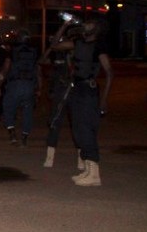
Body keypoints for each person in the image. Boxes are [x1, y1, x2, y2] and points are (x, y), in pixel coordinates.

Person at [49, 17, 113, 186]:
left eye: (89, 22)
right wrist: (64, 25)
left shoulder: (99, 45)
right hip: (76, 89)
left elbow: (109, 72)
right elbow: (54, 45)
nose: (86, 24)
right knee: (78, 130)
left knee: (86, 131)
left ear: (97, 27)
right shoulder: (77, 43)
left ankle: (95, 174)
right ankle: (87, 170)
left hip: (88, 91)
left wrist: (104, 100)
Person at [41, 21, 77, 168]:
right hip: (59, 90)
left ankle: (82, 159)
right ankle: (50, 158)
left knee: (77, 124)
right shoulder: (57, 52)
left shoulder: (76, 49)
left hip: (72, 89)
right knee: (55, 123)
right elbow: (42, 60)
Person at [0, 28, 41, 147]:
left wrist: (0, 81)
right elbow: (38, 70)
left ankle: (12, 134)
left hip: (15, 84)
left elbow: (6, 67)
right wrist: (39, 88)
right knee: (27, 112)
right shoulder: (34, 51)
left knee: (8, 107)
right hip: (29, 85)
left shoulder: (13, 50)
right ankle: (24, 137)